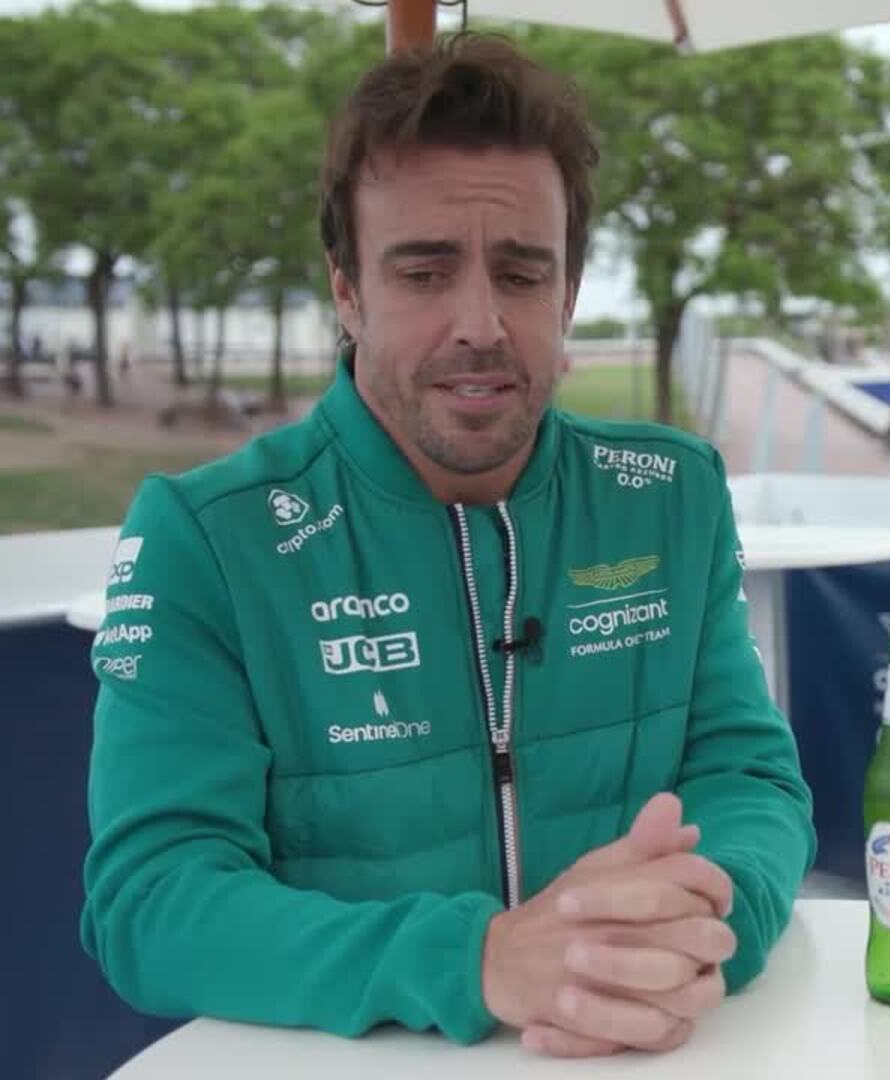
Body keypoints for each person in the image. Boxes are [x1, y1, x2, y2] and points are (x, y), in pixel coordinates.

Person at [81, 34, 815, 1059]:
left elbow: (750, 779)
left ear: (567, 291)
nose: (481, 323)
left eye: (521, 273)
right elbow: (151, 901)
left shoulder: (671, 492)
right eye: (424, 272)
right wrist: (481, 960)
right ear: (347, 289)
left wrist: (697, 926)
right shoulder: (205, 536)